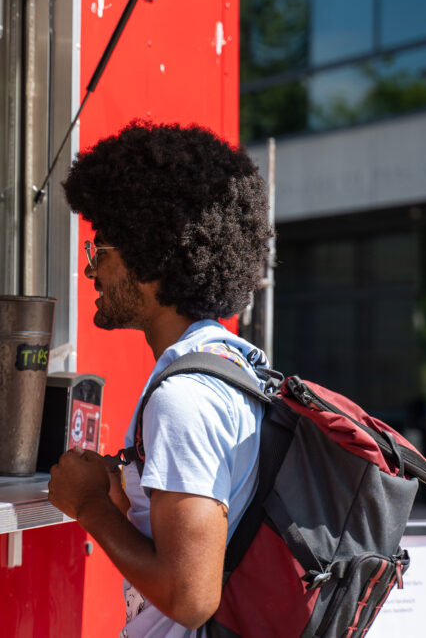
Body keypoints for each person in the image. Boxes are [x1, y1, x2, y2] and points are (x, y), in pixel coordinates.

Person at [47, 121, 273, 637]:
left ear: (151, 258)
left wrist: (88, 505)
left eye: (100, 250)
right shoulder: (233, 366)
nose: (90, 272)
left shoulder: (183, 399)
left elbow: (190, 598)